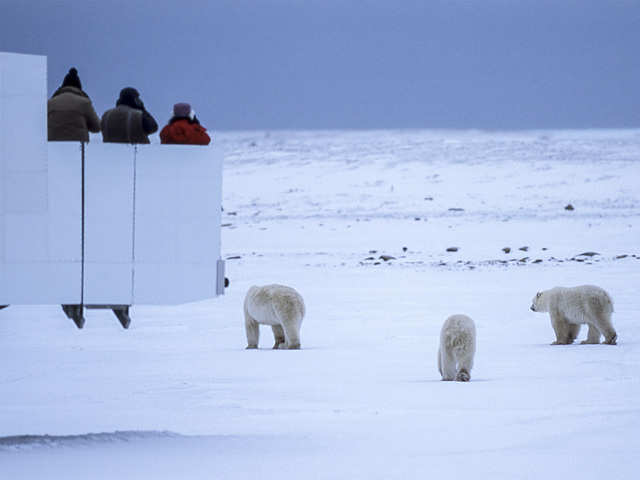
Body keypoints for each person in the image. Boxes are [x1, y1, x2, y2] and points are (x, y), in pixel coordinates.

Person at [47, 68, 101, 142]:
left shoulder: (49, 103)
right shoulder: (84, 103)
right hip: (76, 149)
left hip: (51, 149)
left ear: (63, 86)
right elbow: (97, 127)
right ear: (79, 87)